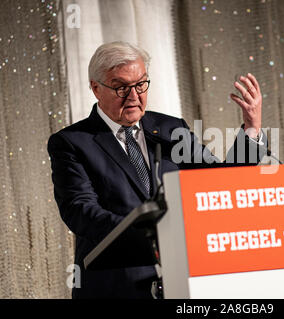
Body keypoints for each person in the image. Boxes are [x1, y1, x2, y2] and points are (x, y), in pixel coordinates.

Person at [47, 41, 266, 298]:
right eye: (121, 87)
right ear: (96, 88)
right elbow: (81, 211)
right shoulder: (73, 142)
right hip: (116, 287)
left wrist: (252, 128)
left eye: (141, 84)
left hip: (181, 284)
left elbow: (219, 185)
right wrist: (150, 236)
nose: (134, 96)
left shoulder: (171, 129)